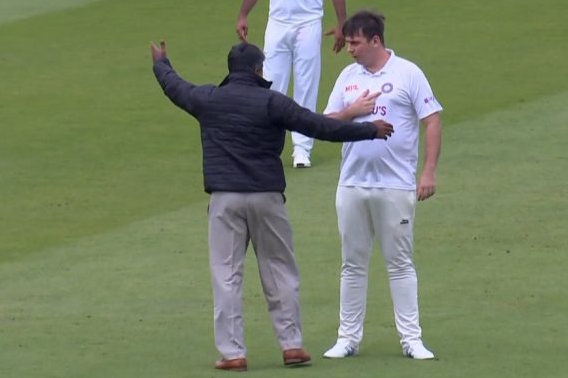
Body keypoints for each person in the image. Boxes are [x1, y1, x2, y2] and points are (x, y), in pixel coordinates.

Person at [150, 40, 393, 371]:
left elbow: (175, 88)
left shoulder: (210, 99)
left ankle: (233, 353)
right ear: (257, 70)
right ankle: (291, 346)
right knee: (279, 270)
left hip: (224, 199)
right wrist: (368, 130)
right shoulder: (272, 102)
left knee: (226, 276)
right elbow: (319, 126)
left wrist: (162, 63)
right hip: (267, 196)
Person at [322, 10, 443, 360]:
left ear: (375, 41)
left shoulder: (408, 73)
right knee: (352, 263)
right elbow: (326, 122)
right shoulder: (347, 76)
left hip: (396, 185)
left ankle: (411, 339)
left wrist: (428, 172)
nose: (350, 49)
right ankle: (347, 338)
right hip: (352, 184)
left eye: (355, 43)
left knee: (400, 262)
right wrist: (352, 111)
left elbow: (432, 121)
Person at [236, 0, 347, 168]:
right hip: (277, 24)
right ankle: (267, 146)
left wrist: (341, 24)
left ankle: (302, 149)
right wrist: (243, 14)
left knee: (306, 85)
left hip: (309, 23)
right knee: (271, 85)